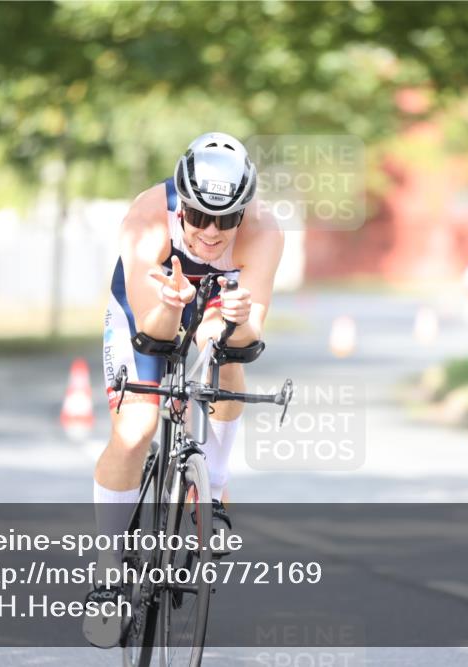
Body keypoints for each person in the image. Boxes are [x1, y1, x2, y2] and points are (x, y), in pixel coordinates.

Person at [85, 132, 284, 648]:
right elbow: (151, 330)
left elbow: (250, 333)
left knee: (228, 356)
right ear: (182, 203)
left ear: (244, 212)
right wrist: (172, 302)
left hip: (217, 304)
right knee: (137, 426)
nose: (212, 232)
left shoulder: (264, 231)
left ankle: (213, 492)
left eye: (226, 219)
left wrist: (237, 321)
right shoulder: (148, 217)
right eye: (198, 217)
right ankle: (108, 573)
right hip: (147, 308)